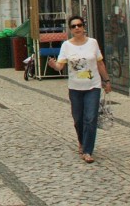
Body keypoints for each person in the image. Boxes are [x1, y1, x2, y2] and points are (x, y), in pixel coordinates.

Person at [47, 15, 112, 164]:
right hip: (75, 88)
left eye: (79, 25)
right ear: (70, 30)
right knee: (78, 120)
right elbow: (60, 66)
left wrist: (106, 80)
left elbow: (100, 64)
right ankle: (82, 141)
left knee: (90, 118)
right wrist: (53, 65)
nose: (77, 28)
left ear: (83, 27)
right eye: (73, 26)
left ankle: (88, 150)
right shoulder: (66, 46)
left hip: (93, 86)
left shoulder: (93, 43)